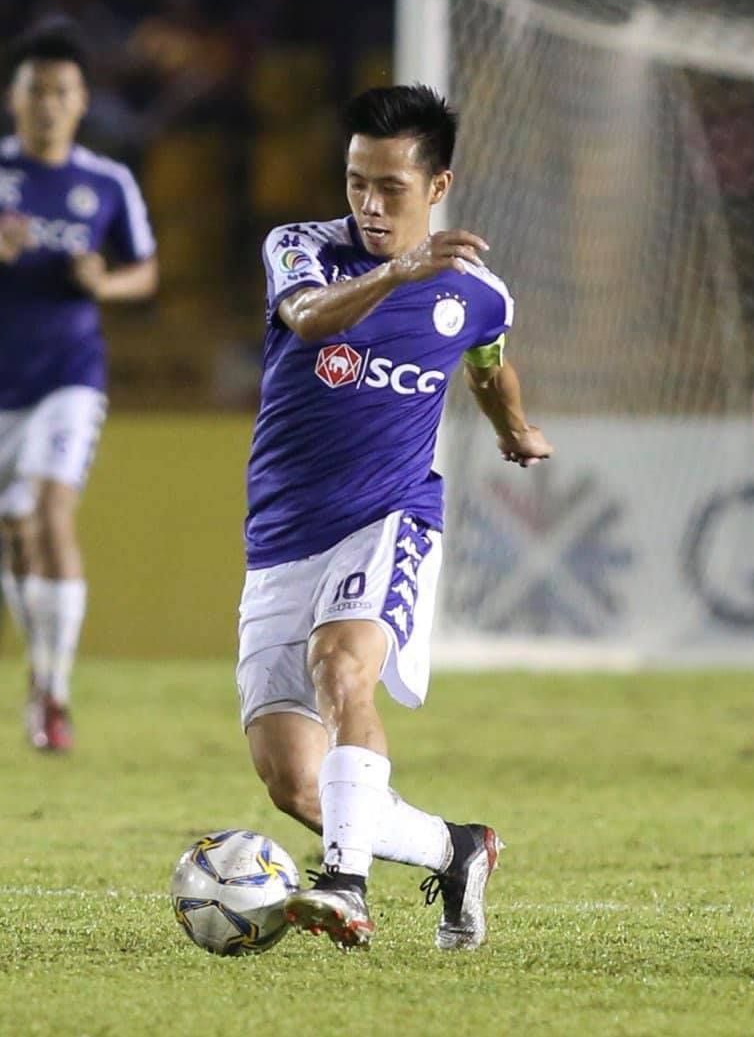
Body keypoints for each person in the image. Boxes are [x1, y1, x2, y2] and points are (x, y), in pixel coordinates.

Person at [238, 84, 551, 952]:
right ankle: (456, 848)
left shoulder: (479, 295)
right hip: (279, 533)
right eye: (355, 183)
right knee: (294, 784)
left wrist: (513, 429)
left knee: (342, 665)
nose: (370, 206)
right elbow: (304, 321)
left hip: (390, 511)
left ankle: (342, 885)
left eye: (391, 189)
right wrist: (397, 273)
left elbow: (489, 366)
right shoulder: (300, 246)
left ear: (438, 186)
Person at [0, 19, 157, 752]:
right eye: (35, 89)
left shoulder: (107, 181)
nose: (48, 103)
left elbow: (145, 270)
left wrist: (102, 280)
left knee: (51, 514)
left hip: (71, 372)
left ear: (82, 103)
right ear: (14, 99)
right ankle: (39, 675)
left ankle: (56, 690)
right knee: (15, 537)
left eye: (62, 91)